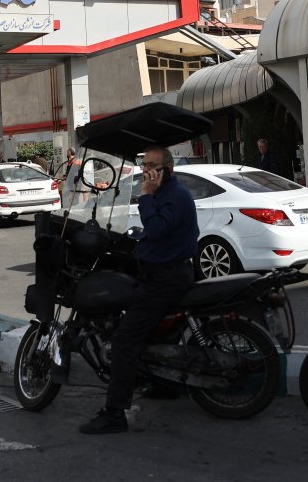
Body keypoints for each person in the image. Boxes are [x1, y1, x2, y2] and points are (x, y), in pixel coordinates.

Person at [80, 145, 197, 435]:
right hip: (162, 273)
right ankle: (163, 383)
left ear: (167, 168)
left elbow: (156, 228)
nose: (146, 171)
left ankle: (115, 413)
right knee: (151, 328)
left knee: (124, 340)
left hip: (166, 279)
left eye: (152, 166)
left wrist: (145, 195)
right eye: (144, 166)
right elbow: (155, 235)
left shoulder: (173, 195)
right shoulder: (165, 194)